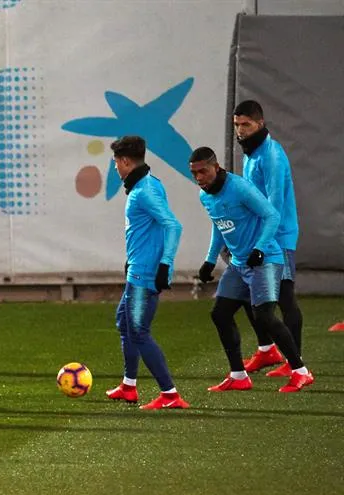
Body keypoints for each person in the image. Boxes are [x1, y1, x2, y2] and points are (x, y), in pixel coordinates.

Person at [190, 147, 313, 393]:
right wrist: (209, 260)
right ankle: (239, 375)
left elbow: (271, 216)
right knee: (220, 314)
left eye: (203, 171)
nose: (199, 177)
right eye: (194, 173)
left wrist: (259, 248)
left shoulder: (239, 188)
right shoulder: (205, 196)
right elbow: (219, 227)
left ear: (216, 167)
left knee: (265, 316)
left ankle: (301, 371)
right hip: (238, 263)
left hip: (265, 259)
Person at [104, 136, 189, 410]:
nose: (115, 167)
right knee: (124, 324)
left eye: (116, 162)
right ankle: (129, 386)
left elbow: (173, 226)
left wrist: (165, 265)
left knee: (139, 332)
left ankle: (169, 394)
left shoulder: (144, 192)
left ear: (126, 161)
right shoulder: (149, 184)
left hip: (144, 276)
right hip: (138, 271)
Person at [233, 101, 303, 377]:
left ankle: (295, 360)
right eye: (237, 125)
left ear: (260, 124)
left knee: (285, 297)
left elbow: (273, 205)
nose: (240, 130)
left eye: (246, 125)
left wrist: (262, 242)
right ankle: (266, 351)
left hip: (278, 235)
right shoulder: (252, 151)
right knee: (249, 294)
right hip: (259, 234)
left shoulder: (271, 156)